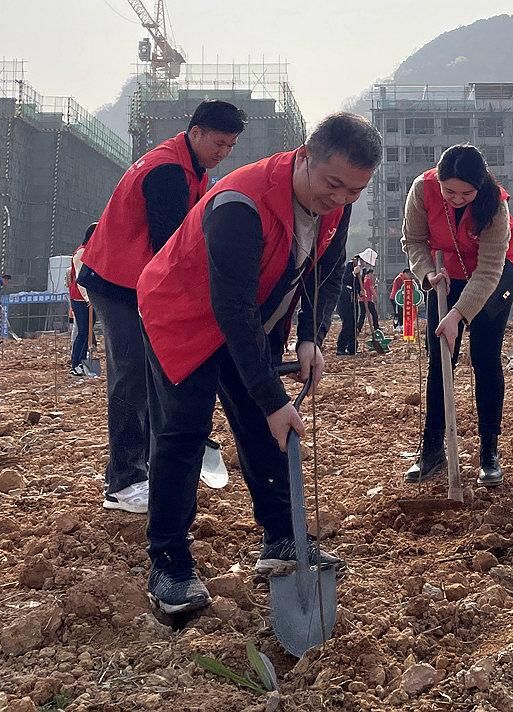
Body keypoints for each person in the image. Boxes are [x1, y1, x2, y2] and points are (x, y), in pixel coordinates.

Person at [137, 112, 382, 613]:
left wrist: (310, 338)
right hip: (183, 315)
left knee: (264, 431)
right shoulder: (240, 203)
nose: (340, 198)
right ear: (305, 155)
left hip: (251, 321)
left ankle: (280, 539)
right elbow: (232, 308)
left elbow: (328, 272)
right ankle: (169, 563)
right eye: (334, 184)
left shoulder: (336, 199)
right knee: (183, 434)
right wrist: (272, 398)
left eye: (355, 191)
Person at [78, 100, 246, 514]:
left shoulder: (191, 168)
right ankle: (124, 481)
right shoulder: (168, 171)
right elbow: (170, 245)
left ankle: (150, 465)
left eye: (230, 146)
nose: (223, 153)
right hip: (118, 283)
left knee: (155, 373)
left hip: (139, 281)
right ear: (196, 133)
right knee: (131, 376)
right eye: (219, 143)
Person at [402, 144, 513, 488]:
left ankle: (489, 453)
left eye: (465, 193)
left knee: (485, 359)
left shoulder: (495, 206)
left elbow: (488, 272)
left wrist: (457, 316)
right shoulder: (421, 190)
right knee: (440, 360)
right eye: (448, 191)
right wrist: (427, 274)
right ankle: (432, 449)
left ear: (480, 187)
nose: (456, 198)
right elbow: (414, 240)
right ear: (437, 181)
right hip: (447, 276)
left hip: (492, 277)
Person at [67, 223, 97, 376]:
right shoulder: (81, 253)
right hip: (80, 298)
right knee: (83, 331)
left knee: (88, 331)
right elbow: (80, 279)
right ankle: (75, 363)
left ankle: (84, 361)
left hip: (89, 298)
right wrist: (88, 299)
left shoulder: (91, 252)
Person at [335, 255, 362, 355]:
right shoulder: (351, 265)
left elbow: (358, 284)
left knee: (353, 323)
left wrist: (360, 291)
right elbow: (345, 280)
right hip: (345, 299)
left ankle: (352, 348)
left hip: (353, 300)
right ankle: (340, 348)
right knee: (348, 323)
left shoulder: (361, 269)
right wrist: (353, 273)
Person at [357, 267, 380, 333]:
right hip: (367, 300)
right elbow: (371, 289)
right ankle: (376, 327)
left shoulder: (364, 279)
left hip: (362, 300)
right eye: (373, 274)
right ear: (370, 273)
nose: (373, 276)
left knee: (362, 314)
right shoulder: (369, 279)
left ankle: (358, 328)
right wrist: (376, 297)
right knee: (374, 313)